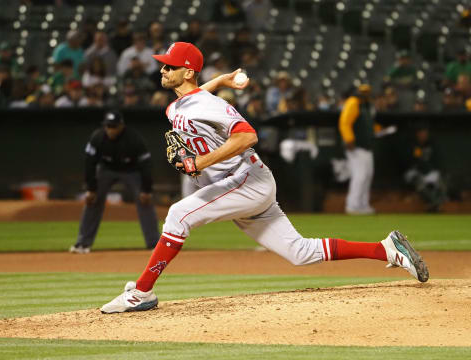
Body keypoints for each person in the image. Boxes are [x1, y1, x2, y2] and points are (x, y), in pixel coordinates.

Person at [100, 42, 428, 314]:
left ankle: (141, 293)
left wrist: (201, 160)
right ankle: (388, 249)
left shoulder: (209, 106)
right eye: (163, 65)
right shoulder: (178, 106)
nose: (162, 70)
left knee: (177, 214)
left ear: (187, 72)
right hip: (245, 187)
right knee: (299, 252)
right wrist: (223, 80)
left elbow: (247, 136)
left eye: (169, 66)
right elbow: (196, 97)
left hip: (246, 180)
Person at [70, 110, 160, 254]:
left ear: (121, 126)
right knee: (92, 201)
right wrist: (91, 188)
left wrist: (146, 190)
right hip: (106, 170)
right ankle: (82, 244)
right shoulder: (98, 137)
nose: (110, 130)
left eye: (114, 126)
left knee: (145, 201)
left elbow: (146, 164)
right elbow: (89, 163)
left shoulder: (134, 139)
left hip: (132, 170)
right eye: (108, 126)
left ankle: (154, 244)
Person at [338, 84, 377, 215]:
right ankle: (353, 205)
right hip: (356, 146)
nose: (365, 94)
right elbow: (344, 122)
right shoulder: (353, 102)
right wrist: (349, 139)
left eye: (367, 91)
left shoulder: (365, 105)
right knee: (360, 176)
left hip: (366, 146)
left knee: (367, 175)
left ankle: (362, 205)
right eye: (362, 92)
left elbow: (366, 125)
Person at [404, 122, 446, 212]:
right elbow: (413, 161)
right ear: (417, 134)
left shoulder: (432, 144)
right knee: (419, 182)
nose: (423, 135)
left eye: (424, 133)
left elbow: (437, 160)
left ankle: (436, 204)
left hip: (430, 172)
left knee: (441, 183)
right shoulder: (412, 145)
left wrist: (432, 171)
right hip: (415, 172)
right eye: (421, 133)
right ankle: (433, 203)